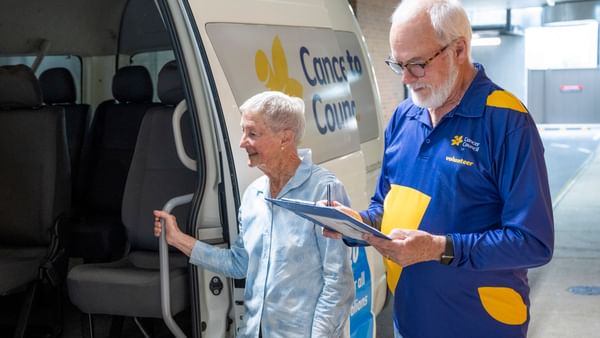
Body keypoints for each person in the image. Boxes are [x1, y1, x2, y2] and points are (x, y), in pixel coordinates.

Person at [324, 1, 554, 337]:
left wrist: (440, 248)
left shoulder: (506, 121)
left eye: (417, 64)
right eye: (398, 64)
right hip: (411, 322)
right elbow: (384, 207)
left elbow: (534, 242)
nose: (405, 78)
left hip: (481, 325)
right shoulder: (405, 117)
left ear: (458, 49)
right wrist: (357, 223)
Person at [153, 91, 354, 338]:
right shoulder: (253, 196)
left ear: (285, 138)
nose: (242, 142)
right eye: (243, 132)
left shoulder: (324, 191)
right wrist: (178, 239)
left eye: (252, 134)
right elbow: (239, 264)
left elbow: (338, 284)